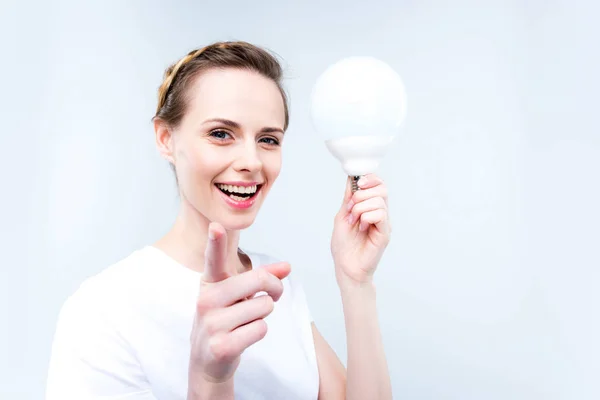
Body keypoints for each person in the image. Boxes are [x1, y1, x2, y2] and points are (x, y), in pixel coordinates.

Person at [45, 41, 393, 400]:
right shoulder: (103, 309)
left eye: (268, 139)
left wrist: (357, 283)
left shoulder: (275, 284)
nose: (252, 161)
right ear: (166, 138)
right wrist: (209, 380)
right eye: (221, 134)